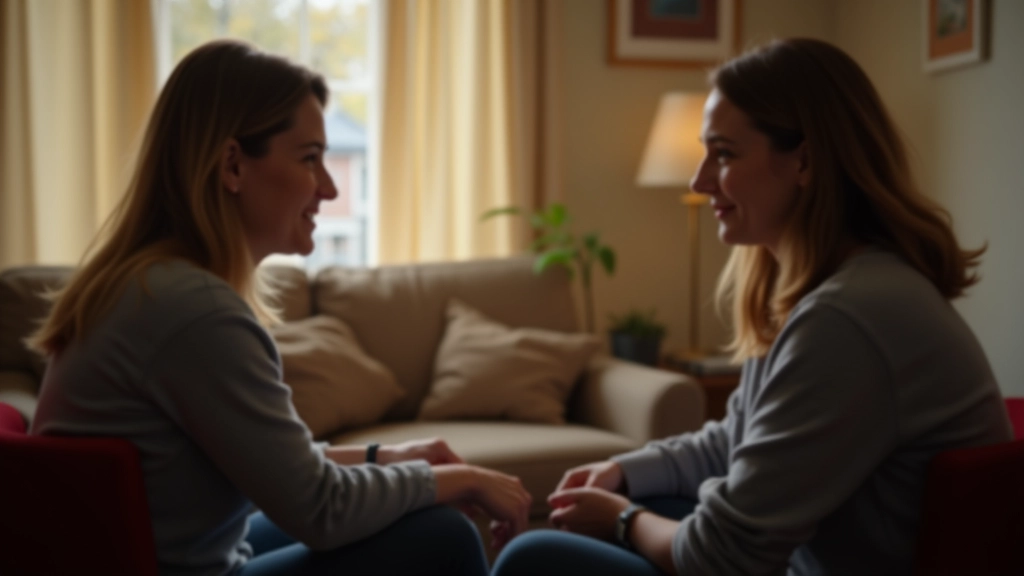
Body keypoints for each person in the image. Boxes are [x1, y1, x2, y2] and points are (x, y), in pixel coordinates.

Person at [491, 38, 1013, 576]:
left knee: (534, 558)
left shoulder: (848, 318)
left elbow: (722, 558)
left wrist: (623, 518)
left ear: (804, 161)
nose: (699, 181)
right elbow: (740, 440)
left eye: (724, 153)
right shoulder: (825, 291)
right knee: (655, 510)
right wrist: (624, 472)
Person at [28, 39, 531, 576]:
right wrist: (462, 479)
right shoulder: (195, 313)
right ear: (232, 165)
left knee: (404, 509)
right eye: (310, 158)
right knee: (440, 535)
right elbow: (320, 510)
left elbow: (275, 469)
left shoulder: (151, 286)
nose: (330, 186)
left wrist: (388, 457)